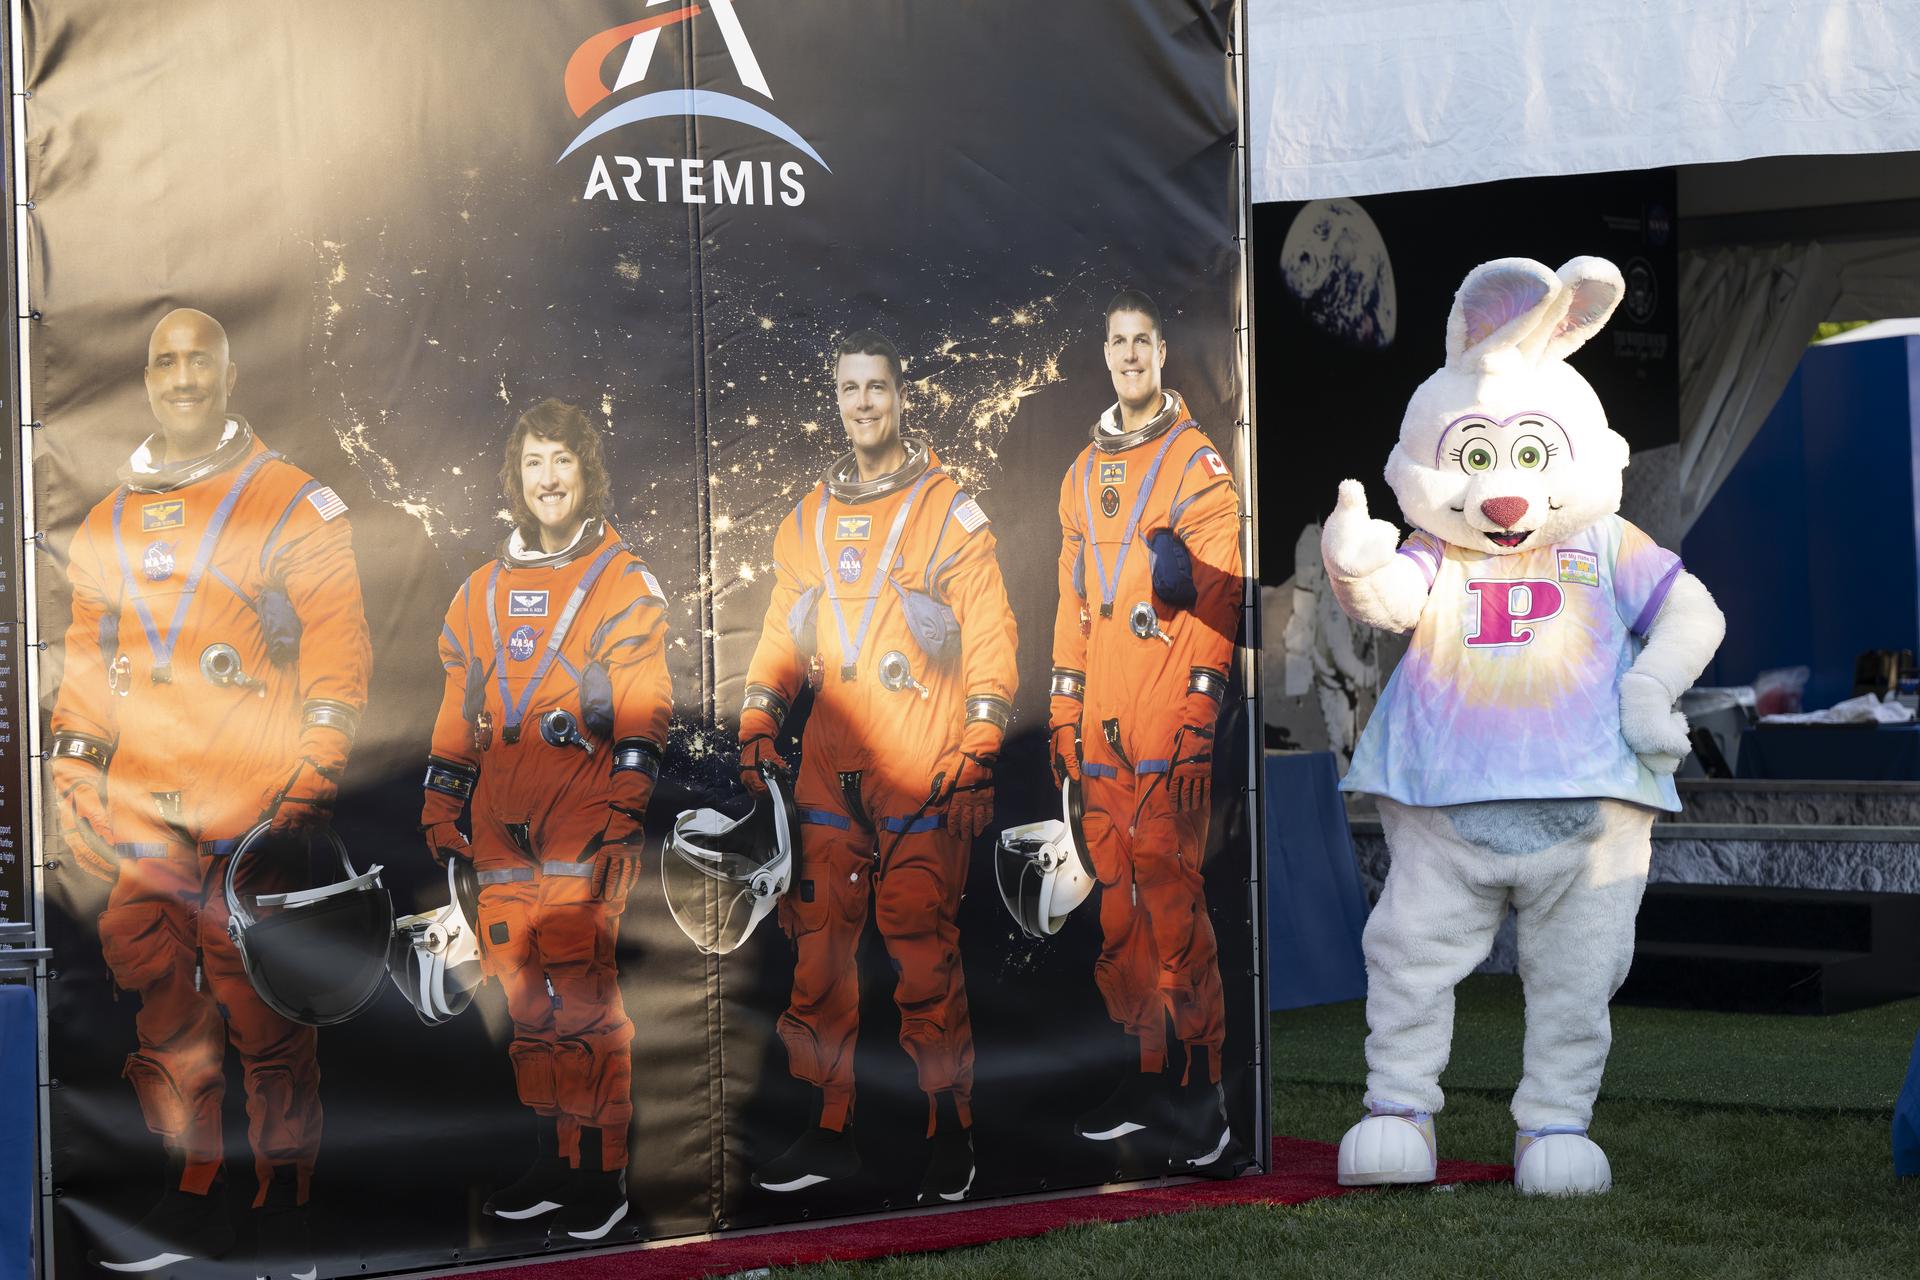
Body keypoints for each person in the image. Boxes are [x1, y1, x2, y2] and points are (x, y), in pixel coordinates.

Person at [49, 308, 372, 1272]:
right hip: (147, 816)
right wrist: (72, 763)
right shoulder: (108, 519)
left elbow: (337, 641)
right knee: (166, 1017)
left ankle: (286, 1219)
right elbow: (84, 654)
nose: (183, 377)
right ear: (146, 381)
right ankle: (192, 1202)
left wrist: (314, 766)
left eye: (201, 361)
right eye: (165, 362)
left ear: (231, 379)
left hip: (250, 815)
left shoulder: (288, 501)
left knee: (267, 1025)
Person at [738, 331, 1018, 1204]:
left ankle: (950, 1135)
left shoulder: (947, 510)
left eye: (878, 387)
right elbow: (784, 632)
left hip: (918, 764)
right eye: (849, 388)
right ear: (837, 400)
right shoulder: (808, 521)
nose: (864, 403)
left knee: (923, 960)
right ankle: (829, 1134)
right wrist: (757, 717)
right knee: (817, 963)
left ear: (903, 396)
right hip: (828, 768)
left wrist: (978, 745)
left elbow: (992, 632)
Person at [418, 399, 671, 1242]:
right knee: (523, 998)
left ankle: (603, 1175)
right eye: (534, 462)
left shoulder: (621, 580)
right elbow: (459, 711)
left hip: (580, 815)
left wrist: (626, 804)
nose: (549, 479)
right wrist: (441, 804)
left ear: (585, 470)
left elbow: (645, 703)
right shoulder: (479, 592)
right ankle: (553, 1158)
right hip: (499, 823)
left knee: (586, 999)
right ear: (516, 477)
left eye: (562, 461)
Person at [1048, 289, 1244, 1174]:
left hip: (1167, 711)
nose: (1128, 355)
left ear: (1163, 353)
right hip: (1103, 722)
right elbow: (1070, 607)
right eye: (1116, 341)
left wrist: (1201, 710)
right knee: (1120, 911)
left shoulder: (1198, 465)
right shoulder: (1083, 473)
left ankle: (1203, 1097)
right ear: (1106, 353)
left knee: (1172, 902)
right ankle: (1145, 1076)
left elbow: (1224, 595)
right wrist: (1062, 712)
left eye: (1141, 342)